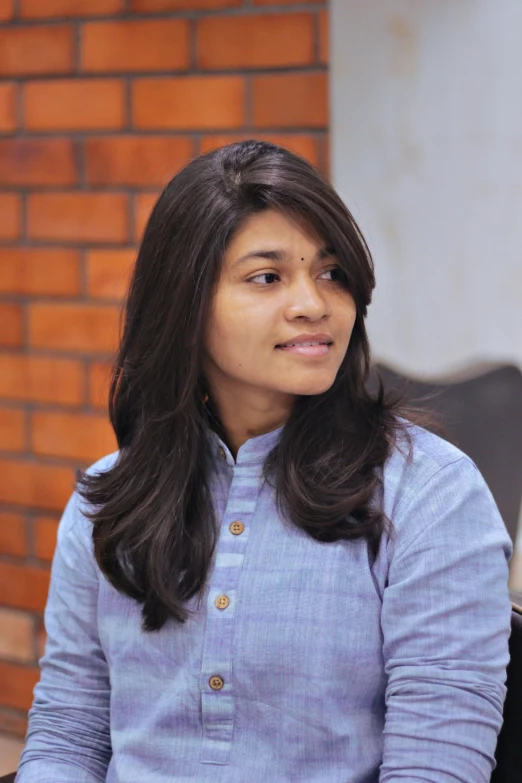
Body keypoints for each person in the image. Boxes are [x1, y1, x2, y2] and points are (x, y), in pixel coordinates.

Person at [16, 141, 512, 783]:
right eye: (267, 277)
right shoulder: (108, 500)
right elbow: (68, 736)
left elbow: (436, 766)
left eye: (332, 272)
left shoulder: (430, 494)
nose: (314, 303)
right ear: (185, 307)